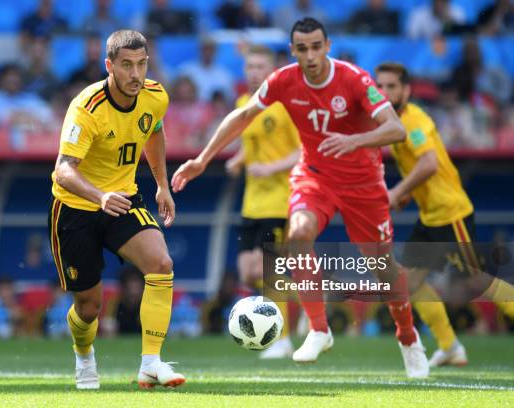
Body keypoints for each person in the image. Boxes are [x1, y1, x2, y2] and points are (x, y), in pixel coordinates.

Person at [172, 17, 429, 378]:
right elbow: (244, 114)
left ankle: (407, 337)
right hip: (315, 176)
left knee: (382, 268)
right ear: (293, 51)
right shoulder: (283, 80)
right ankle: (319, 329)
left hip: (363, 184)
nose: (310, 55)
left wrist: (353, 140)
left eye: (316, 47)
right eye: (302, 48)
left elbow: (396, 128)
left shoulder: (355, 79)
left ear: (327, 46)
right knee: (298, 235)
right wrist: (201, 159)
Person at [49, 29, 184, 390]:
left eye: (141, 65)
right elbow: (63, 171)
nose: (135, 74)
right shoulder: (86, 107)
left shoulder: (155, 97)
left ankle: (151, 364)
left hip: (124, 198)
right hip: (77, 208)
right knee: (89, 307)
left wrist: (161, 185)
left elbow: (153, 133)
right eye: (126, 65)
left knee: (162, 264)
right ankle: (83, 355)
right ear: (109, 65)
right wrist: (99, 197)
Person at [375, 62, 514, 366]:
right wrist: (408, 195)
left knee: (476, 281)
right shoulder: (396, 123)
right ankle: (450, 346)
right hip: (430, 217)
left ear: (407, 90)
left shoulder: (413, 122)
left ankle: (452, 345)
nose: (384, 93)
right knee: (408, 284)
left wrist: (397, 193)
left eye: (392, 87)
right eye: (380, 86)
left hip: (451, 215)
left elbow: (429, 164)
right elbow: (421, 170)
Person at [225, 45, 300, 359]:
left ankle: (281, 339)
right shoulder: (244, 103)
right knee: (246, 272)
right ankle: (310, 299)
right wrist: (239, 160)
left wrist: (270, 167)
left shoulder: (284, 106)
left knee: (269, 270)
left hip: (277, 201)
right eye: (250, 66)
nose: (254, 71)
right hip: (251, 203)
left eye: (260, 66)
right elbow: (252, 145)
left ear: (271, 71)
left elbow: (302, 151)